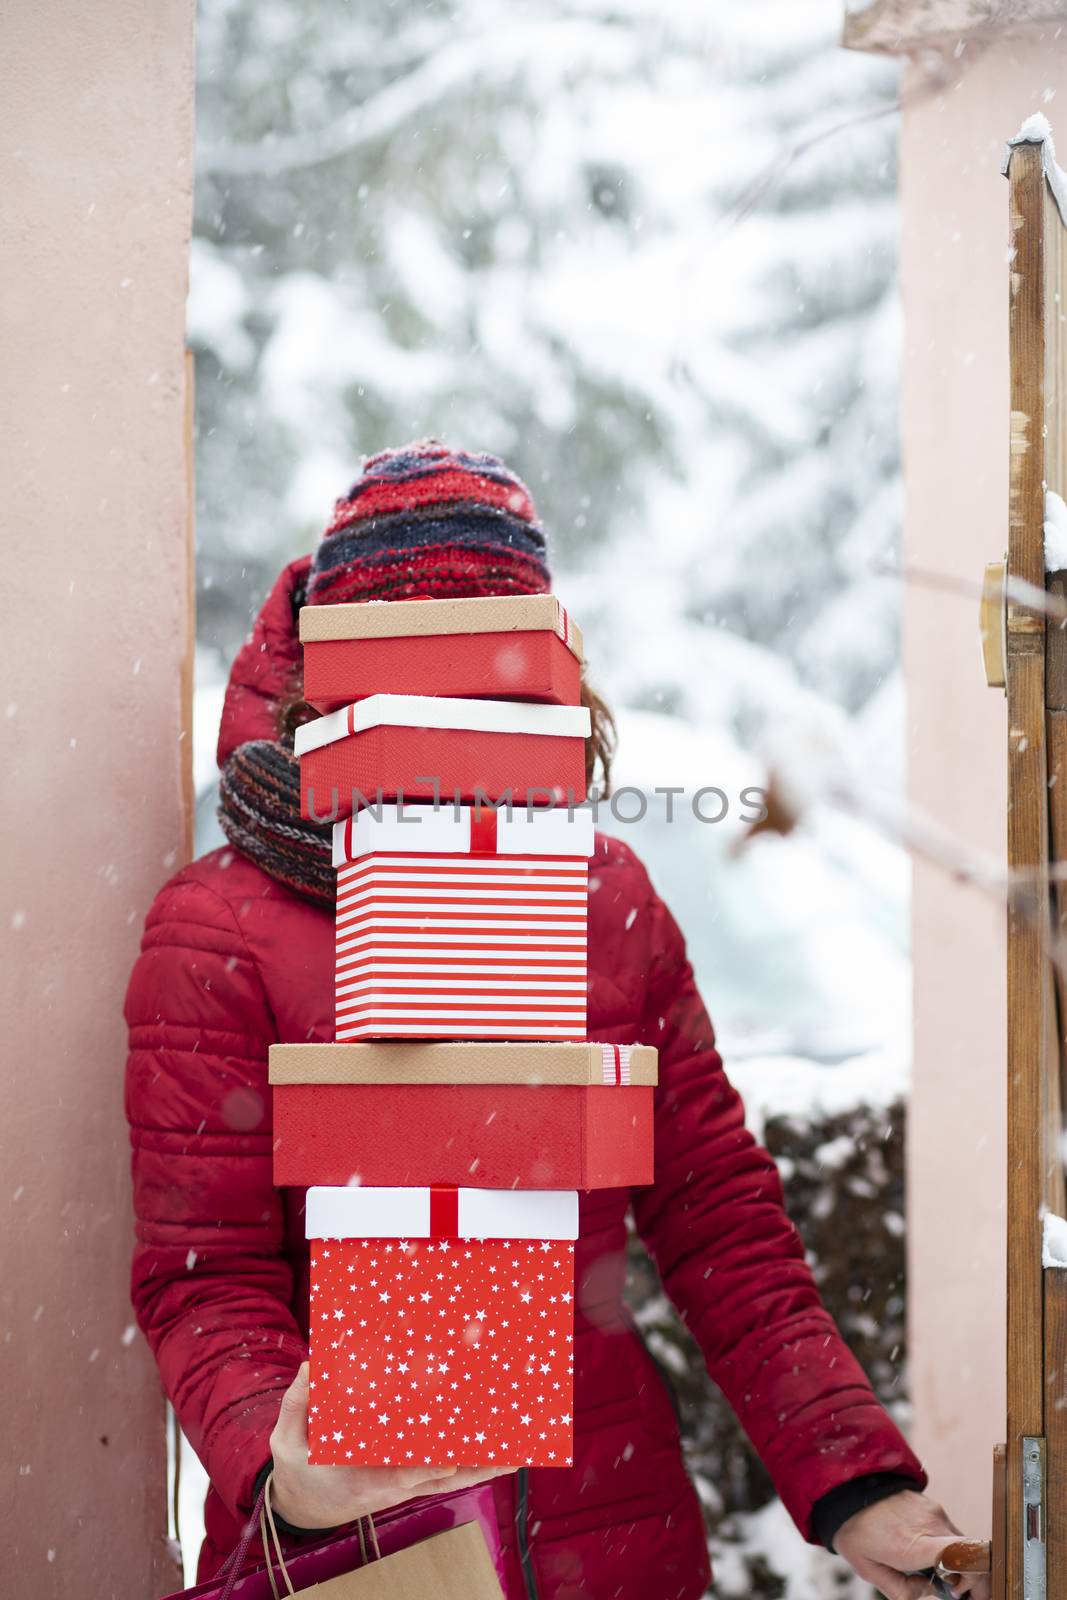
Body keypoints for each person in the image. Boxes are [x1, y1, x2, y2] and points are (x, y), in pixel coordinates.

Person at [125, 442, 985, 1600]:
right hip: (361, 1557)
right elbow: (204, 1275)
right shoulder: (220, 927)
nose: (455, 742)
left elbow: (721, 1228)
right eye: (413, 698)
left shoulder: (605, 900)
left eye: (498, 694)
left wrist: (853, 1480)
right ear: (323, 697)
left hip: (615, 1546)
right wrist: (287, 1475)